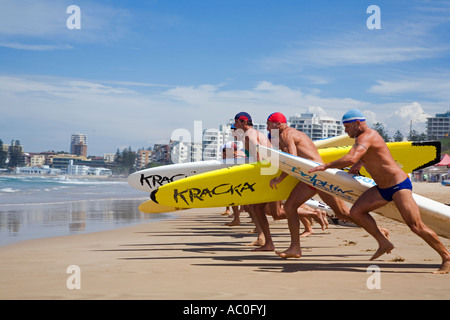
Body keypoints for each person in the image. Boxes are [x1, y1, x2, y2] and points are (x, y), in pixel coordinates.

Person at [309, 109, 450, 274]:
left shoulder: (366, 136)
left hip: (398, 185)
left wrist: (325, 166)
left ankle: (446, 257)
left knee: (415, 226)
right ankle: (383, 242)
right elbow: (370, 154)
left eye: (347, 127)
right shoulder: (363, 138)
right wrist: (360, 165)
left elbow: (351, 157)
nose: (345, 130)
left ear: (357, 124)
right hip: (383, 188)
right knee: (356, 212)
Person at [267, 112, 365, 259]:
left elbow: (291, 159)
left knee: (291, 207)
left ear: (276, 124)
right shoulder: (290, 133)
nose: (268, 128)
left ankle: (295, 248)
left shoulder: (285, 135)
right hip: (315, 177)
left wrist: (280, 179)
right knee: (340, 213)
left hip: (315, 177)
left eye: (268, 124)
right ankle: (380, 232)